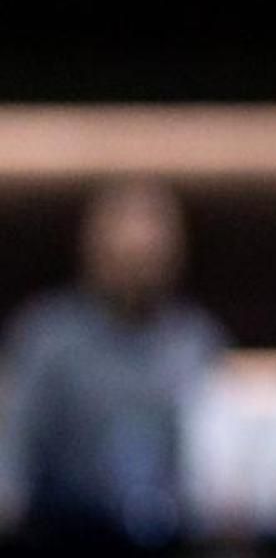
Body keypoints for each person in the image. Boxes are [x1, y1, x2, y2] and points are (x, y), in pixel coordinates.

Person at [0, 181, 226, 556]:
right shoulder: (49, 340)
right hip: (66, 537)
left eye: (150, 254)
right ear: (92, 248)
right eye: (125, 254)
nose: (138, 265)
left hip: (179, 537)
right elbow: (12, 455)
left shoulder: (197, 341)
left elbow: (219, 469)